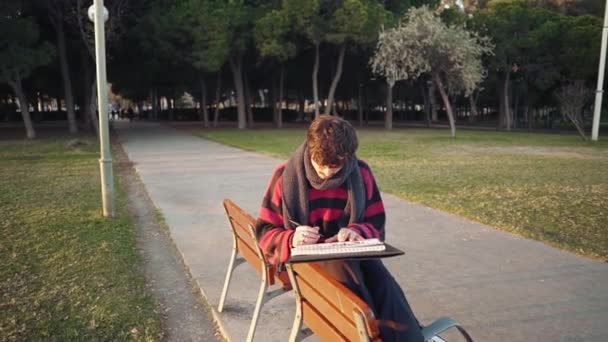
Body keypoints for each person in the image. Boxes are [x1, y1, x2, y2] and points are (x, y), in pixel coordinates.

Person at [255, 115, 424, 341]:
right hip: (307, 266)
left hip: (353, 256)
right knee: (350, 274)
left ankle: (409, 336)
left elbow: (376, 225)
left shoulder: (361, 173)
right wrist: (291, 238)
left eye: (336, 167)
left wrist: (358, 231)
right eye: (320, 165)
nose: (327, 174)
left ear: (349, 157)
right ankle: (375, 335)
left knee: (381, 279)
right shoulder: (285, 176)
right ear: (309, 151)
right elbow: (264, 232)